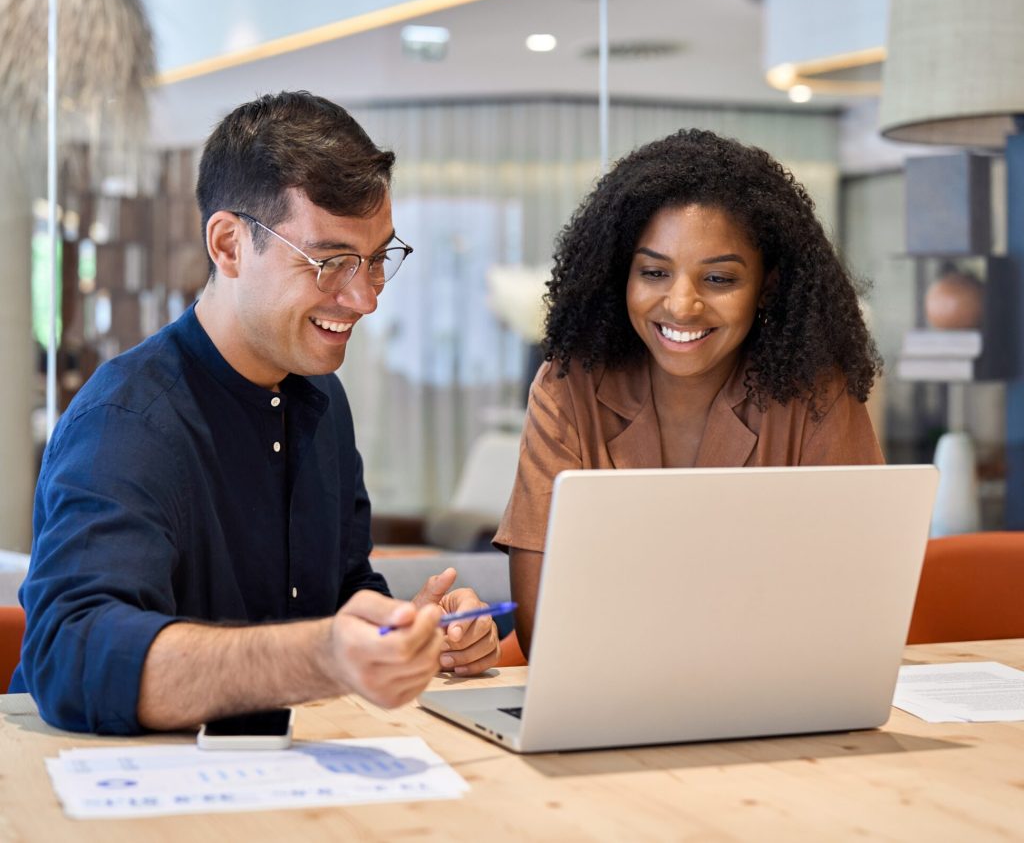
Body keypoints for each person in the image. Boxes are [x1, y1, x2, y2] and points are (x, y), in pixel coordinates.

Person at [13, 91, 500, 734]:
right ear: (229, 245)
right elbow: (71, 655)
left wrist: (407, 632)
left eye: (378, 259)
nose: (364, 299)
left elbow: (344, 586)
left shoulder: (323, 399)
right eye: (330, 263)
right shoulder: (125, 422)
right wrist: (320, 656)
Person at [495, 129, 884, 656]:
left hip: (774, 702)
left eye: (719, 279)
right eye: (654, 272)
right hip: (605, 700)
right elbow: (542, 632)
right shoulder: (569, 388)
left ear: (767, 286)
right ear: (620, 276)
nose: (681, 305)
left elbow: (850, 609)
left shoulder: (817, 393)